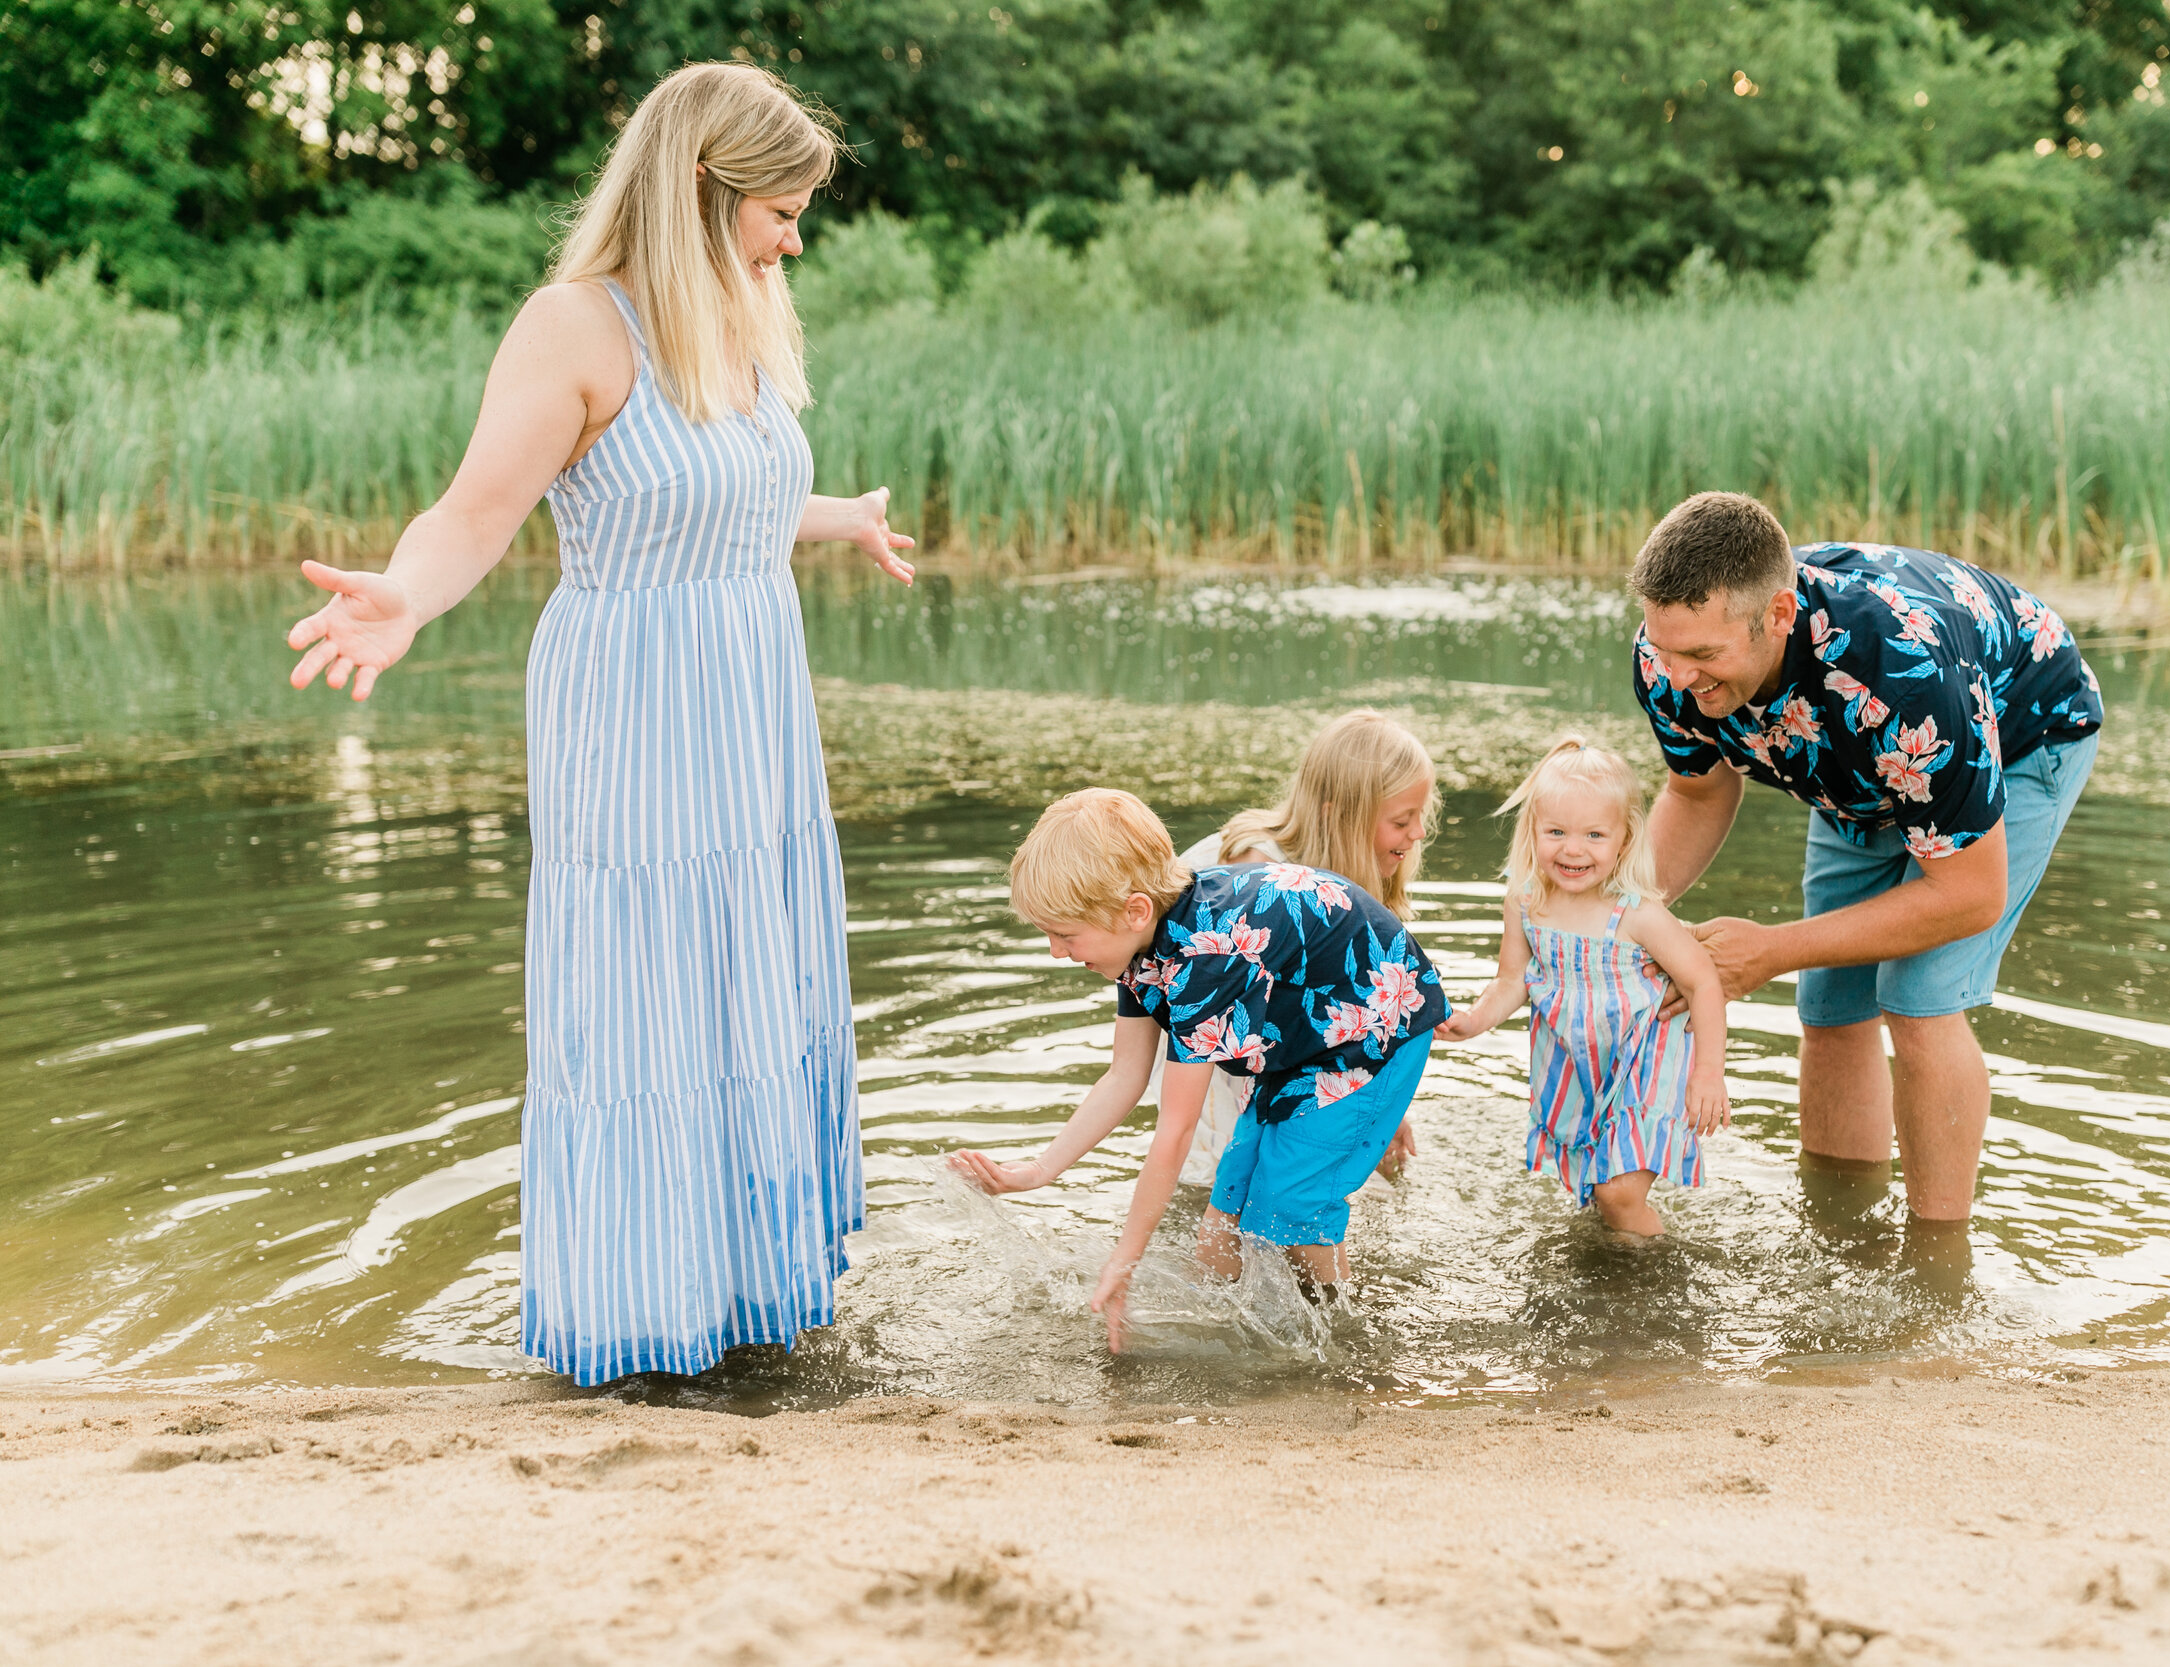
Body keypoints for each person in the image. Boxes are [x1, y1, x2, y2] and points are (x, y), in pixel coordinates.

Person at [280, 64, 918, 1385]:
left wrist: (834, 516)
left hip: (754, 709)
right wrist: (403, 594)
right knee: (647, 999)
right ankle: (636, 1329)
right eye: (782, 209)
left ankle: (751, 1304)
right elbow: (471, 515)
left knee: (749, 978)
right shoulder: (573, 327)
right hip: (635, 710)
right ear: (702, 183)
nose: (796, 236)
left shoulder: (739, 309)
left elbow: (711, 491)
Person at [1628, 491, 2100, 1242]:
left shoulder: (1901, 671)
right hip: (1855, 767)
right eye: (1666, 648)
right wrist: (1622, 914)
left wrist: (1773, 948)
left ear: (1778, 615)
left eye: (1703, 657)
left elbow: (1970, 895)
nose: (1676, 676)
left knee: (1916, 994)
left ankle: (1936, 1268)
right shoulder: (1669, 659)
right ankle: (1842, 1234)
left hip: (2017, 734)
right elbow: (1695, 788)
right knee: (1831, 1004)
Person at [948, 789, 1446, 1351]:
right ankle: (1224, 1334)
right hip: (1302, 1039)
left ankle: (1339, 1341)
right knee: (1228, 1209)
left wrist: (1124, 1258)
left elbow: (1176, 1130)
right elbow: (1124, 1077)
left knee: (1291, 1203)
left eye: (1066, 934)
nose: (1055, 951)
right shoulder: (1142, 946)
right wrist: (1036, 1171)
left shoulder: (1204, 959)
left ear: (1133, 909)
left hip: (1374, 1031)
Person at [1433, 738, 1731, 1235]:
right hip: (1577, 1060)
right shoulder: (1526, 900)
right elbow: (1512, 980)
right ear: (1533, 831)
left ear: (1625, 839)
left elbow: (1702, 982)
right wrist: (1474, 1020)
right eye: (1556, 832)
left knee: (1618, 1194)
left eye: (1595, 834)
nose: (1573, 849)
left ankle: (1661, 1280)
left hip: (1644, 1055)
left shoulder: (1637, 912)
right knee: (1600, 1191)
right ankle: (1612, 1283)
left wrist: (1708, 1074)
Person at [1171, 709, 1438, 1180]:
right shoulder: (1255, 874)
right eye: (1402, 821)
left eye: (1420, 815)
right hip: (1214, 1038)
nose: (1417, 833)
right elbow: (1234, 1035)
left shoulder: (1353, 877)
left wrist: (1367, 1094)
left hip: (1270, 1035)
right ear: (1339, 816)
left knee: (1289, 1173)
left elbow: (1339, 1006)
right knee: (1221, 1172)